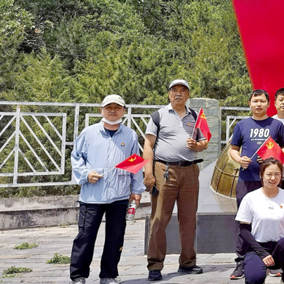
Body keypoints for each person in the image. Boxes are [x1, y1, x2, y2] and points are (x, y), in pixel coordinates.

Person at [69, 95, 145, 284]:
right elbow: (76, 157)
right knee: (85, 236)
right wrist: (86, 174)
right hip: (92, 196)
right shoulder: (89, 133)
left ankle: (109, 275)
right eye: (108, 107)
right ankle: (78, 275)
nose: (112, 111)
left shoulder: (130, 135)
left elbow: (135, 164)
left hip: (119, 195)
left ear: (123, 111)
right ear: (101, 110)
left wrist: (136, 190)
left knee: (115, 237)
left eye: (117, 107)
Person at [143, 79, 209, 282]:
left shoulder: (196, 116)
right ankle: (155, 265)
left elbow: (205, 141)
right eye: (174, 90)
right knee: (159, 219)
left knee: (188, 219)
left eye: (182, 90)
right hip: (164, 170)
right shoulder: (158, 116)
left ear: (188, 95)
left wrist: (197, 146)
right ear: (169, 94)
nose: (178, 93)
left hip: (190, 171)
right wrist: (148, 173)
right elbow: (148, 145)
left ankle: (188, 262)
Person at [229, 89, 284, 280]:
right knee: (244, 221)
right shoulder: (242, 125)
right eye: (255, 101)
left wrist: (275, 154)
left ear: (268, 104)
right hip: (247, 179)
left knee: (272, 218)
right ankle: (241, 261)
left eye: (262, 101)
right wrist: (239, 159)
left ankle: (273, 260)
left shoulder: (276, 125)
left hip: (271, 182)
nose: (258, 104)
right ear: (250, 104)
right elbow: (233, 149)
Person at [236, 158, 284, 284]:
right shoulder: (250, 198)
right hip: (257, 248)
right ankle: (259, 269)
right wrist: (262, 253)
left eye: (277, 174)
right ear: (261, 175)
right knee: (254, 279)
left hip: (280, 248)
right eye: (269, 174)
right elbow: (243, 231)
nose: (273, 178)